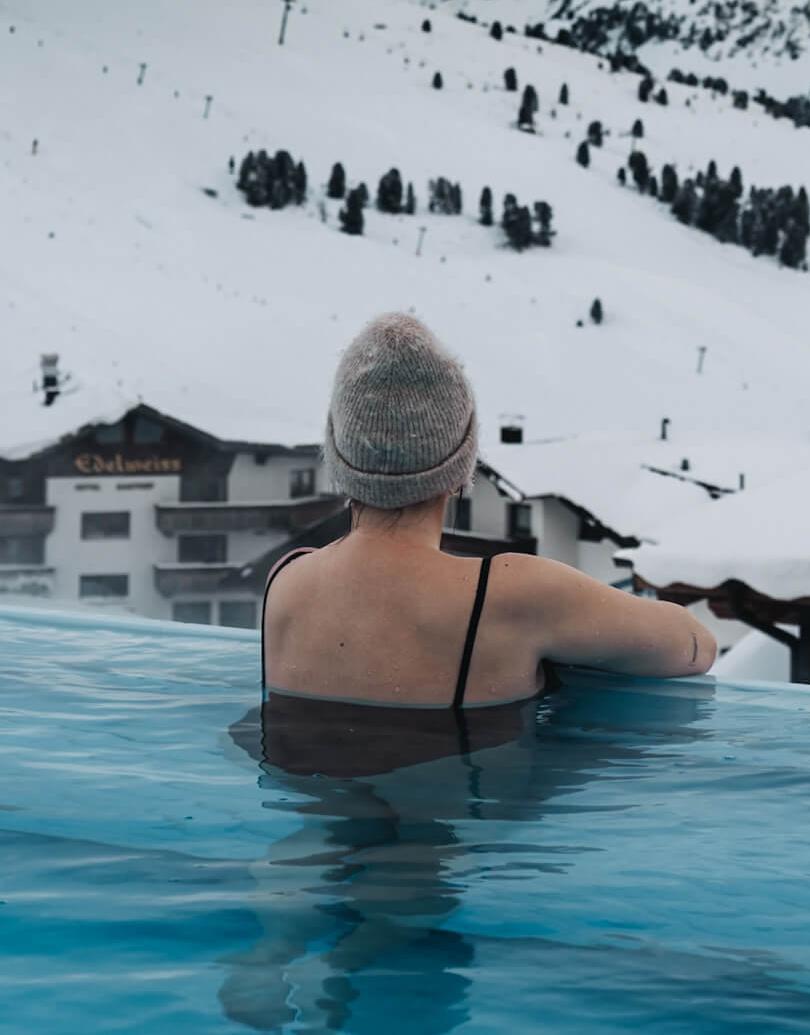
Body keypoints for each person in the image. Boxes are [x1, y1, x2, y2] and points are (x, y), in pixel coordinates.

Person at [259, 313, 716, 771]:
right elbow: (694, 646)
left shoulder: (285, 581)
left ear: (339, 458)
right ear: (460, 468)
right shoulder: (509, 595)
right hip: (459, 817)